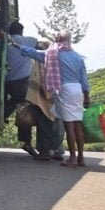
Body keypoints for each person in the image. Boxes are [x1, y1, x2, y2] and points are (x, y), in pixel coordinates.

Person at [22, 30, 90, 167]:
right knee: (77, 125)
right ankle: (81, 158)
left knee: (68, 125)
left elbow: (32, 53)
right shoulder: (77, 57)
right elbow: (84, 80)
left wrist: (18, 46)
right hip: (77, 90)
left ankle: (72, 158)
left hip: (65, 90)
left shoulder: (53, 55)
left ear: (58, 39)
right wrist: (86, 96)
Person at [5, 21, 41, 157]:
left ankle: (4, 114)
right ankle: (27, 142)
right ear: (21, 31)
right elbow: (41, 45)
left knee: (16, 100)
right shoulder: (26, 41)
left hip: (6, 81)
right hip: (21, 82)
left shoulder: (5, 41)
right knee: (27, 109)